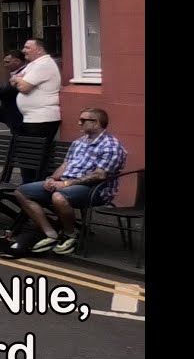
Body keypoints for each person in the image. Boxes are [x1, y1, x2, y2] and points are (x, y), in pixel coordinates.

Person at [10, 107, 127, 256]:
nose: (79, 123)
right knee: (21, 192)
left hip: (95, 190)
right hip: (65, 185)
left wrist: (65, 184)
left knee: (59, 197)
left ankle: (70, 234)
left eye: (83, 120)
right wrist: (52, 179)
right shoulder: (79, 142)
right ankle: (50, 234)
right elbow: (65, 165)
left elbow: (99, 175)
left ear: (96, 123)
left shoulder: (111, 147)